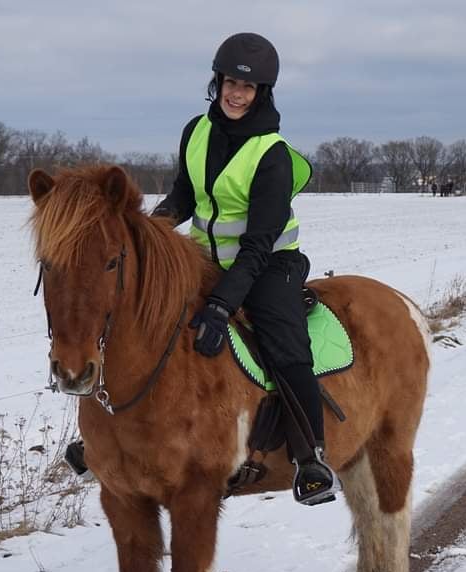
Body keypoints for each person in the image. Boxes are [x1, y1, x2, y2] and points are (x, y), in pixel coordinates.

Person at [65, 32, 338, 506]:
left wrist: (220, 305)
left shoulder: (272, 155)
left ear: (261, 93)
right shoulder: (196, 131)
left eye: (247, 88)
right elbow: (184, 195)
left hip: (269, 265)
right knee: (133, 316)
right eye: (231, 83)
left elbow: (257, 245)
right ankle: (106, 436)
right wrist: (145, 234)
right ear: (218, 82)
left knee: (286, 346)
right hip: (203, 258)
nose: (237, 94)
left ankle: (309, 455)